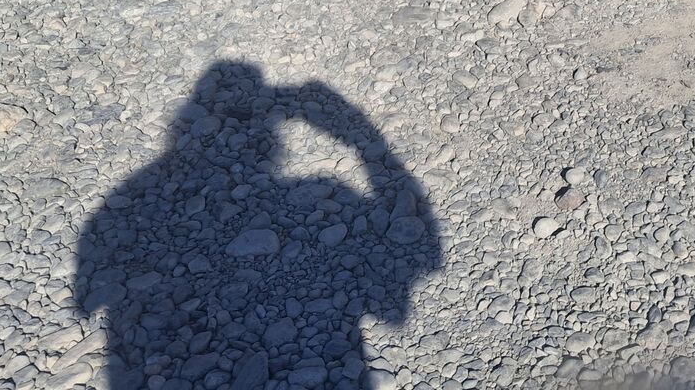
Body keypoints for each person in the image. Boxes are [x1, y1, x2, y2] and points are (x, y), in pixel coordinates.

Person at [76, 61, 441, 389]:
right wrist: (366, 145)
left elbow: (87, 297)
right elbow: (417, 264)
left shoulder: (127, 196)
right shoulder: (328, 189)